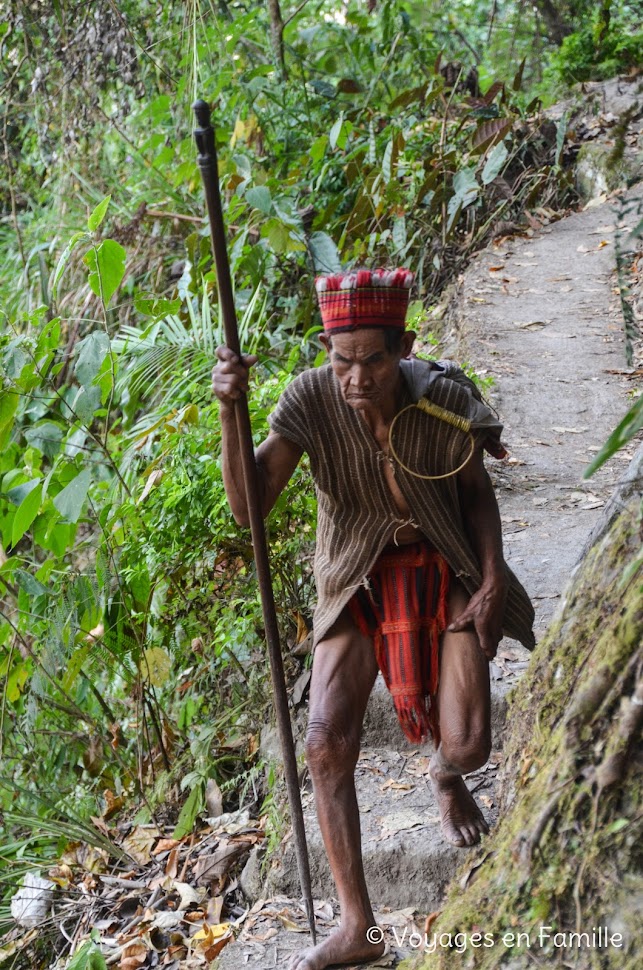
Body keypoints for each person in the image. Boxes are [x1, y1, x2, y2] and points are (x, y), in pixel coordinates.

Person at [212, 268, 535, 970]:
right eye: (341, 359)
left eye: (373, 360)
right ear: (326, 352)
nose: (355, 377)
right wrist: (229, 412)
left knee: (472, 742)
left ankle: (446, 778)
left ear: (404, 348)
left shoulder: (443, 397)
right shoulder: (308, 400)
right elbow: (249, 509)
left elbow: (476, 495)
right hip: (354, 575)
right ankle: (357, 926)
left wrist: (486, 580)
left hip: (442, 564)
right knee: (325, 744)